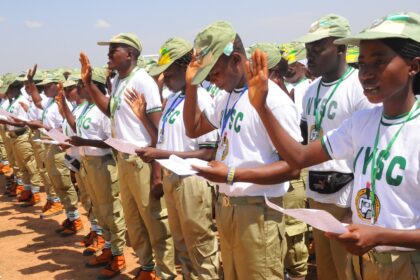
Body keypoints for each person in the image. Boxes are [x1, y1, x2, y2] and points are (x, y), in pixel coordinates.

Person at [247, 11, 420, 280]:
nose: (366, 74)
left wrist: (379, 235)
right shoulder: (362, 122)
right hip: (364, 261)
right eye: (362, 64)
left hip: (406, 264)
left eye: (379, 62)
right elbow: (300, 156)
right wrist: (261, 108)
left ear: (414, 66)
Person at [183, 20, 302, 279]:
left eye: (214, 74)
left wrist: (232, 174)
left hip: (259, 212)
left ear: (236, 59)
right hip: (229, 208)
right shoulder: (225, 97)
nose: (213, 82)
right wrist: (191, 85)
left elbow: (293, 168)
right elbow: (192, 129)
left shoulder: (274, 100)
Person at [80, 32, 176, 280]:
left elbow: (158, 132)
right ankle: (146, 268)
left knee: (155, 222)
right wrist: (89, 84)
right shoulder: (122, 81)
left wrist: (156, 173)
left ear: (130, 54)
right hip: (124, 161)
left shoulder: (143, 81)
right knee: (134, 222)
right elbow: (110, 110)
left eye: (114, 51)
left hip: (142, 162)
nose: (109, 55)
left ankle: (165, 273)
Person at [130, 37, 220, 279]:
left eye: (168, 73)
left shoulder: (199, 98)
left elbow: (208, 152)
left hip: (192, 180)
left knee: (200, 247)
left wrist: (161, 154)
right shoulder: (171, 99)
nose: (164, 78)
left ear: (184, 68)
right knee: (182, 247)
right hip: (173, 179)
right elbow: (163, 139)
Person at [295, 14, 375, 280]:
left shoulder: (358, 89)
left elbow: (369, 152)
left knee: (348, 272)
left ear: (341, 48)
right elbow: (308, 141)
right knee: (327, 272)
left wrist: (358, 209)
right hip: (317, 195)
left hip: (346, 199)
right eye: (308, 49)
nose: (310, 55)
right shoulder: (309, 91)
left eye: (318, 48)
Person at [249, 43, 309, 280]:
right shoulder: (264, 95)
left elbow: (291, 157)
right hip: (273, 179)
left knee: (293, 238)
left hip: (288, 178)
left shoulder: (278, 100)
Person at [60, 68, 127, 279]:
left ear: (94, 86)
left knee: (111, 211)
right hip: (88, 162)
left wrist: (85, 142)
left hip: (103, 164)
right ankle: (108, 248)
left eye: (83, 85)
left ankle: (118, 255)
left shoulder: (103, 108)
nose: (79, 89)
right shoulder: (88, 108)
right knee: (99, 209)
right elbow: (77, 129)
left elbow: (113, 142)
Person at [26, 69, 83, 233]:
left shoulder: (63, 105)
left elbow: (64, 129)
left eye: (48, 85)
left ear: (58, 86)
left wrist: (42, 126)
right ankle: (71, 217)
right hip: (52, 145)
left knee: (65, 183)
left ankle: (76, 219)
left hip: (61, 147)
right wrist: (31, 83)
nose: (44, 89)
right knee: (57, 183)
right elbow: (38, 102)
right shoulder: (52, 102)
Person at [0, 73, 44, 207]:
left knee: (29, 164)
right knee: (19, 166)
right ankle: (27, 190)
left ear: (14, 89)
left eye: (7, 90)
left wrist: (8, 122)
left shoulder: (22, 101)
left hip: (22, 136)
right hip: (13, 136)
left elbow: (25, 123)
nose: (6, 93)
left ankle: (35, 192)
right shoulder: (9, 102)